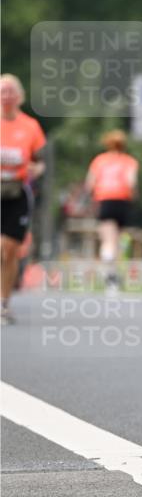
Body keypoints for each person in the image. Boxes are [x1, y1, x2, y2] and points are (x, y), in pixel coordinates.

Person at [1, 74, 46, 324]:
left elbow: (40, 163)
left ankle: (4, 303)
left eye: (10, 91)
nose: (6, 96)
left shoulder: (29, 126)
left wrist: (35, 170)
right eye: (2, 91)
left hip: (17, 192)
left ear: (19, 96)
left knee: (9, 250)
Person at [85, 130, 138, 291]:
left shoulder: (99, 161)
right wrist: (134, 196)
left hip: (105, 200)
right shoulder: (129, 161)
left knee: (108, 239)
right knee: (118, 238)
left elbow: (90, 184)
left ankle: (109, 271)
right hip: (122, 200)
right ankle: (113, 272)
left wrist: (91, 199)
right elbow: (131, 182)